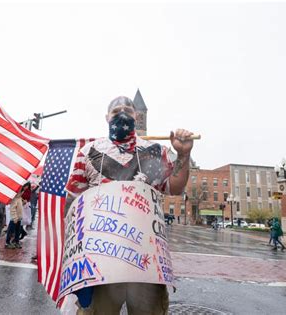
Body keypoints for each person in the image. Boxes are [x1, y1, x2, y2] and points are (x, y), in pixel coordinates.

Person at [65, 96, 194, 315]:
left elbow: (175, 187)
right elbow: (74, 201)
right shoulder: (88, 152)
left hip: (146, 256)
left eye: (128, 110)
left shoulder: (155, 150)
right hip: (101, 257)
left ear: (137, 116)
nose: (122, 113)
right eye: (116, 110)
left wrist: (183, 153)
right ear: (107, 117)